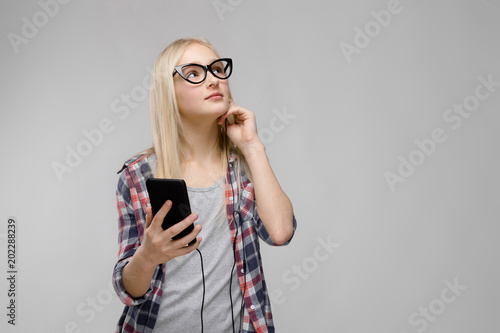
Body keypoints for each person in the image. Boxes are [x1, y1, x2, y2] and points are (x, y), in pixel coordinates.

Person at [112, 37, 297, 333]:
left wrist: (252, 145)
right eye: (195, 74)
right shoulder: (138, 175)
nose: (213, 80)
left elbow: (280, 232)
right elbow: (129, 290)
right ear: (168, 92)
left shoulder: (242, 167)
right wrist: (147, 256)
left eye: (217, 70)